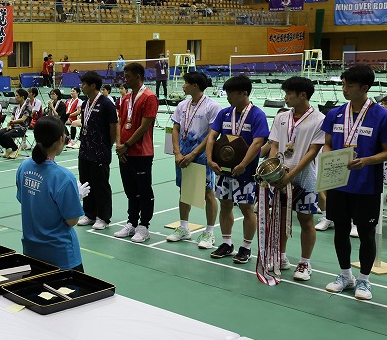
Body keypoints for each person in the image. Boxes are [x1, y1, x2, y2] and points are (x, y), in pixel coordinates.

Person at [321, 65, 387, 300]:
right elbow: (327, 144)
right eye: (343, 84)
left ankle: (364, 279)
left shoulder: (382, 116)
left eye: (349, 85)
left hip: (367, 185)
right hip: (338, 184)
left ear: (364, 88)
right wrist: (329, 159)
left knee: (366, 233)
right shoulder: (335, 114)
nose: (344, 89)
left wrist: (365, 161)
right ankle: (345, 275)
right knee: (340, 230)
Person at [262, 76, 325, 280]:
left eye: (289, 93)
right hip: (280, 177)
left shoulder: (319, 119)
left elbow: (313, 151)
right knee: (280, 218)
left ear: (302, 95)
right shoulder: (281, 117)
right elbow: (274, 145)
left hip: (304, 178)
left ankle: (305, 263)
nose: (286, 97)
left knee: (306, 220)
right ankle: (280, 256)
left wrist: (291, 175)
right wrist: (272, 171)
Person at [204, 75, 270, 263]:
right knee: (225, 205)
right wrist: (210, 159)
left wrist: (243, 165)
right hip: (223, 171)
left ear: (244, 93)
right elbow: (212, 136)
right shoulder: (225, 113)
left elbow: (258, 142)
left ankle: (246, 247)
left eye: (231, 93)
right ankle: (227, 243)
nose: (228, 97)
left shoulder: (257, 115)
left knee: (247, 208)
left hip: (245, 173)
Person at [16, 116, 86, 270]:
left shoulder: (24, 167)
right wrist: (76, 197)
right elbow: (72, 220)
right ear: (60, 139)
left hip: (31, 250)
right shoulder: (64, 177)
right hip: (60, 255)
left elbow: (24, 199)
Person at [165, 72, 221, 248]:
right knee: (185, 190)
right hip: (182, 155)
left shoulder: (212, 106)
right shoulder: (182, 105)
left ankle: (209, 233)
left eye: (186, 83)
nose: (183, 86)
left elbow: (212, 134)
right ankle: (183, 228)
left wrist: (194, 154)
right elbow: (175, 128)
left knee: (208, 193)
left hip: (202, 155)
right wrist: (177, 153)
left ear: (195, 85)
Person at [113, 63, 159, 243]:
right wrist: (119, 145)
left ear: (138, 76)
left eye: (128, 77)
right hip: (125, 152)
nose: (125, 80)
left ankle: (144, 226)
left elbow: (145, 125)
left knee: (144, 191)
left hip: (142, 153)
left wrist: (127, 145)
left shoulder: (149, 97)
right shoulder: (125, 98)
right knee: (130, 191)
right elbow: (120, 122)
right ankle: (131, 222)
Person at [71, 71, 117, 230]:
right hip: (85, 150)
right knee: (86, 183)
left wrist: (107, 145)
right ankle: (89, 214)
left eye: (84, 84)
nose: (81, 86)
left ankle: (103, 217)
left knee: (100, 185)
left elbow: (113, 128)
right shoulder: (85, 104)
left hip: (100, 151)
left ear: (92, 85)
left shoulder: (106, 104)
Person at [0, 89, 31, 158]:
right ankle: (8, 148)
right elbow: (12, 117)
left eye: (17, 96)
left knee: (6, 135)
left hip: (21, 128)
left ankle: (15, 148)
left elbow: (22, 119)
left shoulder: (28, 107)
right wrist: (10, 124)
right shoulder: (16, 107)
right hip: (13, 126)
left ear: (22, 97)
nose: (15, 97)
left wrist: (11, 122)